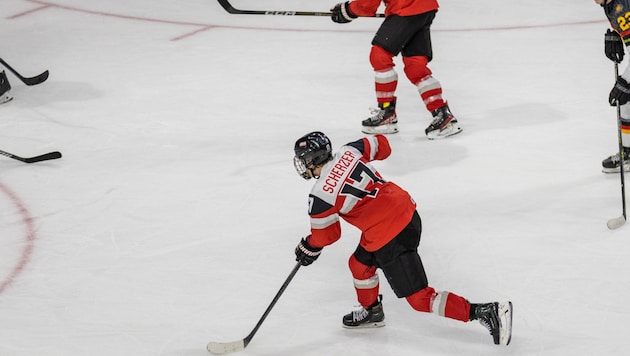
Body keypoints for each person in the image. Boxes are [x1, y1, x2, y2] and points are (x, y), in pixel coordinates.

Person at [292, 131, 512, 345]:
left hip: (390, 234)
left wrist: (308, 246)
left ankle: (484, 312)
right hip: (407, 212)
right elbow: (383, 146)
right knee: (359, 264)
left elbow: (328, 235)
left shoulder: (320, 194)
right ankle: (372, 311)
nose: (301, 164)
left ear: (313, 160)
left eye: (303, 159)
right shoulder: (349, 150)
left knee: (420, 299)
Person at [329, 0, 462, 139]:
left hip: (405, 8)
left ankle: (387, 112)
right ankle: (442, 113)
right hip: (425, 7)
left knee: (379, 56)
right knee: (416, 67)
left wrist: (348, 11)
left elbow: (367, 4)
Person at [598, 0, 630, 173]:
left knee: (624, 93)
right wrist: (618, 34)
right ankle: (628, 154)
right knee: (626, 101)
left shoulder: (623, 7)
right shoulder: (612, 4)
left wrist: (626, 83)